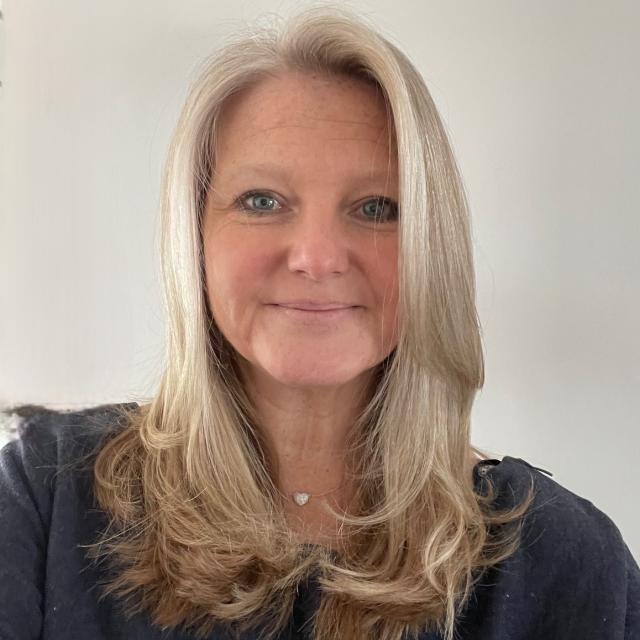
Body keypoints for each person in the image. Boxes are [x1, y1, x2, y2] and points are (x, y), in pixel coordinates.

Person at [0, 5, 638, 640]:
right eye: (262, 201)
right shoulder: (46, 496)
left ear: (431, 245)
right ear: (194, 237)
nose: (316, 257)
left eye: (377, 207)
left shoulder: (563, 562)